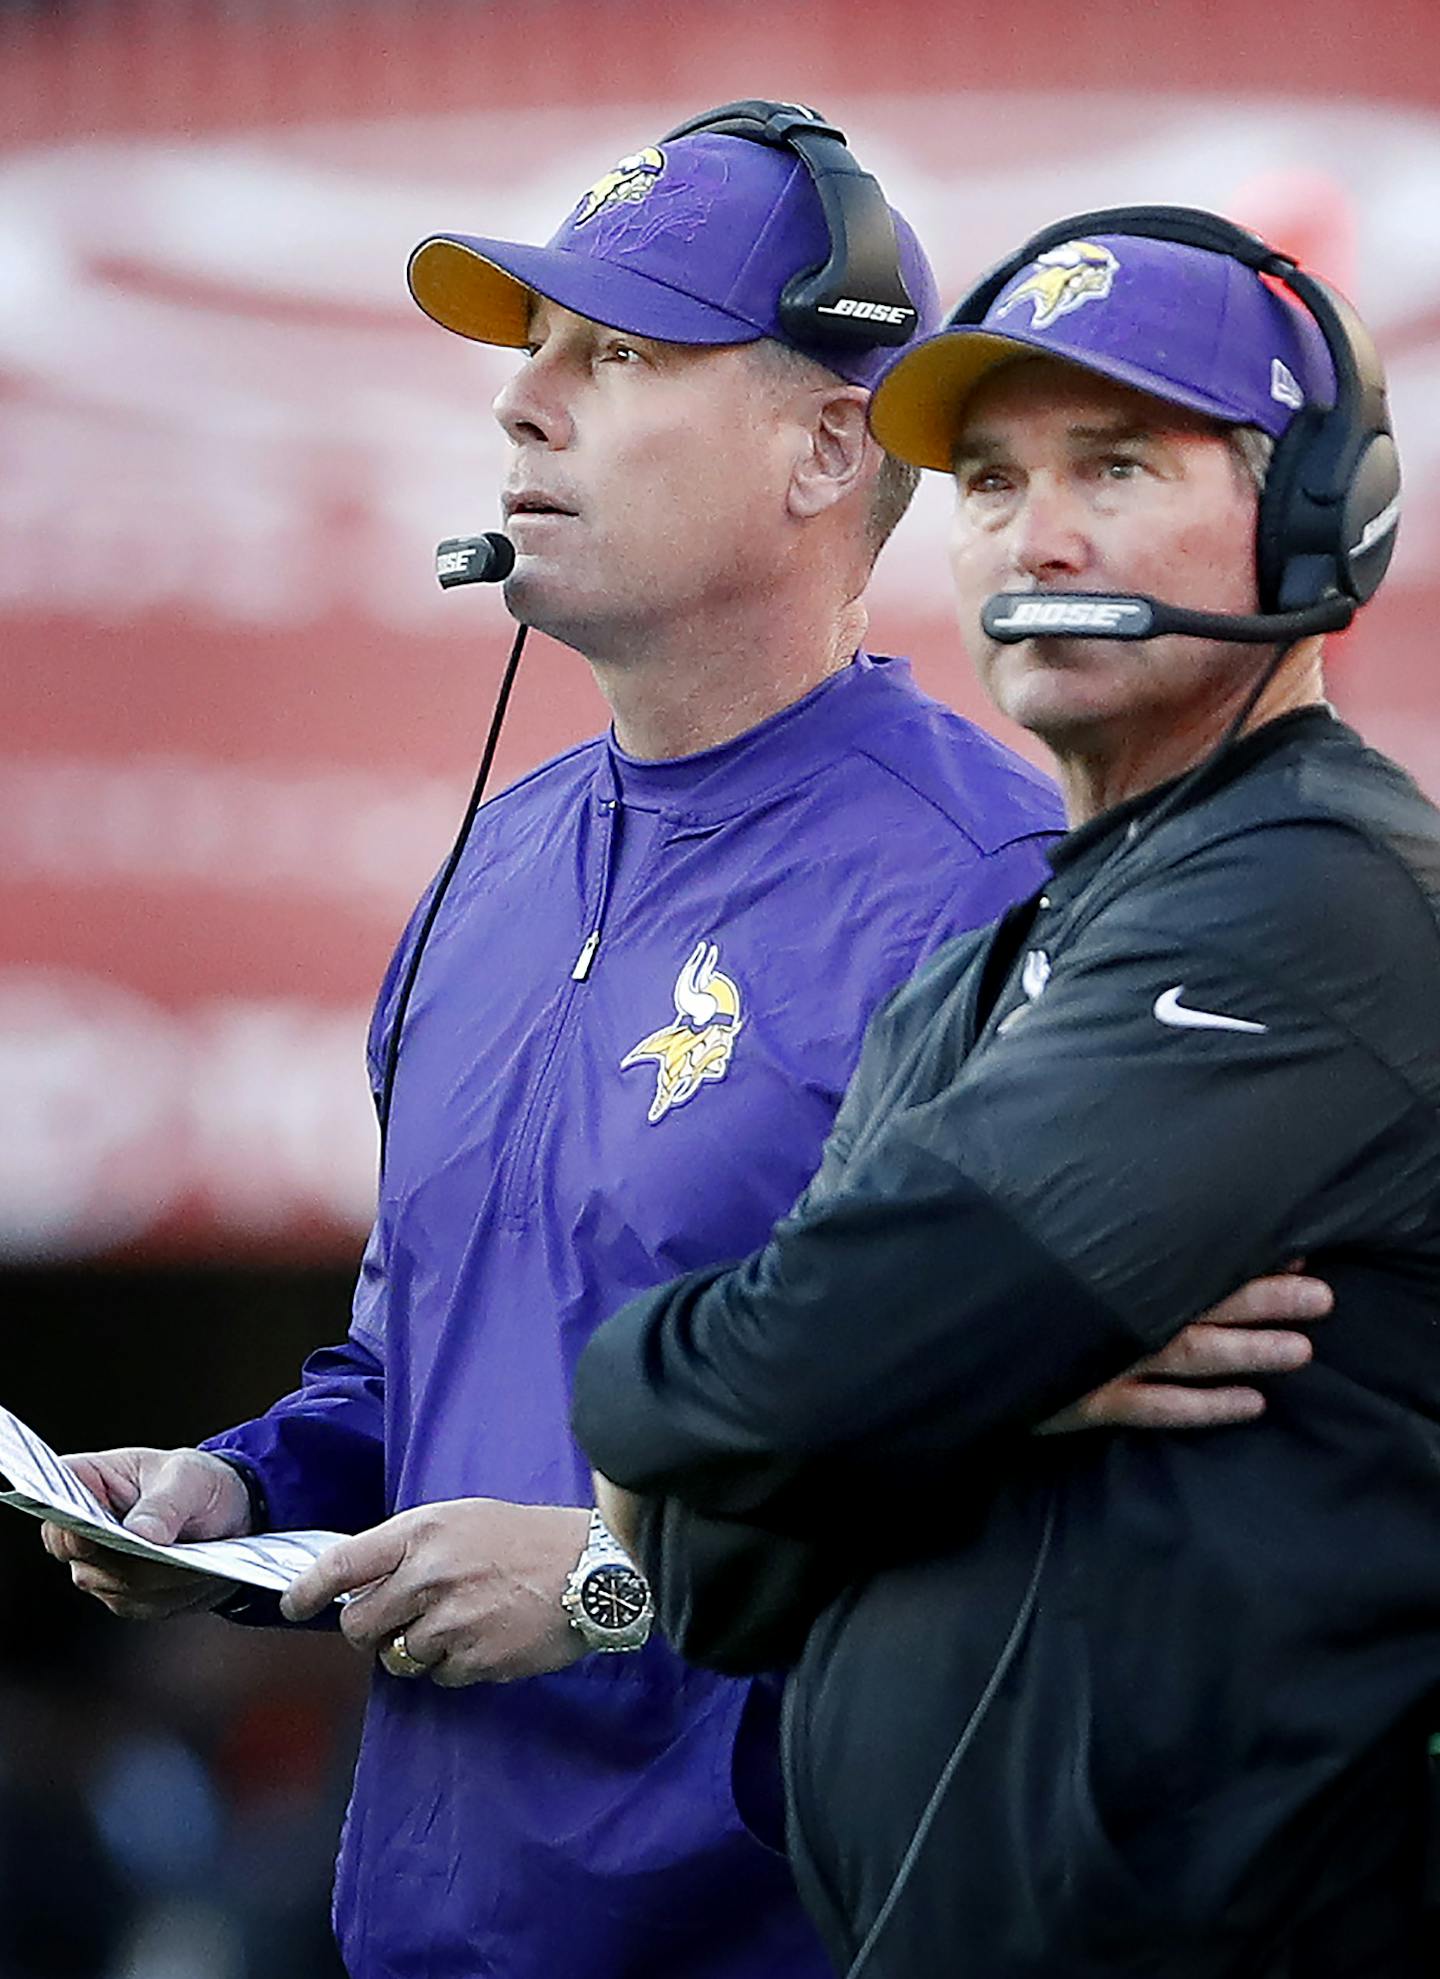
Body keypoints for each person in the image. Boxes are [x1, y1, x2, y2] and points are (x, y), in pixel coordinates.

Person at [44, 133, 1325, 1979]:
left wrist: (613, 1577)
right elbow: (425, 1367)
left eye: (621, 355)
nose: (524, 402)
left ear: (826, 451)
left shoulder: (994, 898)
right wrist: (244, 1488)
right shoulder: (490, 863)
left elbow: (1081, 1482)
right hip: (422, 1936)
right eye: (536, 345)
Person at [574, 210, 1440, 1977]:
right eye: (983, 481)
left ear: (1316, 515)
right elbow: (716, 1575)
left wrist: (741, 1385)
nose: (1036, 536)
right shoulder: (966, 986)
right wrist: (964, 1387)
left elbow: (759, 1382)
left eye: (1112, 464)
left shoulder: (1323, 900)